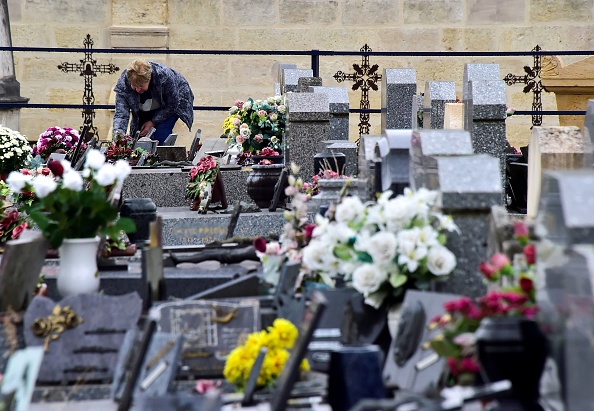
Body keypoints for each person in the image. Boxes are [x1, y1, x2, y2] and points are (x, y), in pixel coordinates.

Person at [112, 59, 194, 145]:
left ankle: (161, 154)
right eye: (134, 86)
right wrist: (118, 138)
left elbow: (172, 104)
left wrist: (153, 122)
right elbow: (121, 115)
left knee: (161, 132)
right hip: (147, 103)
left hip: (173, 101)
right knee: (139, 133)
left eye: (141, 86)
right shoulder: (123, 85)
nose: (138, 90)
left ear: (149, 79)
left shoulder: (164, 76)